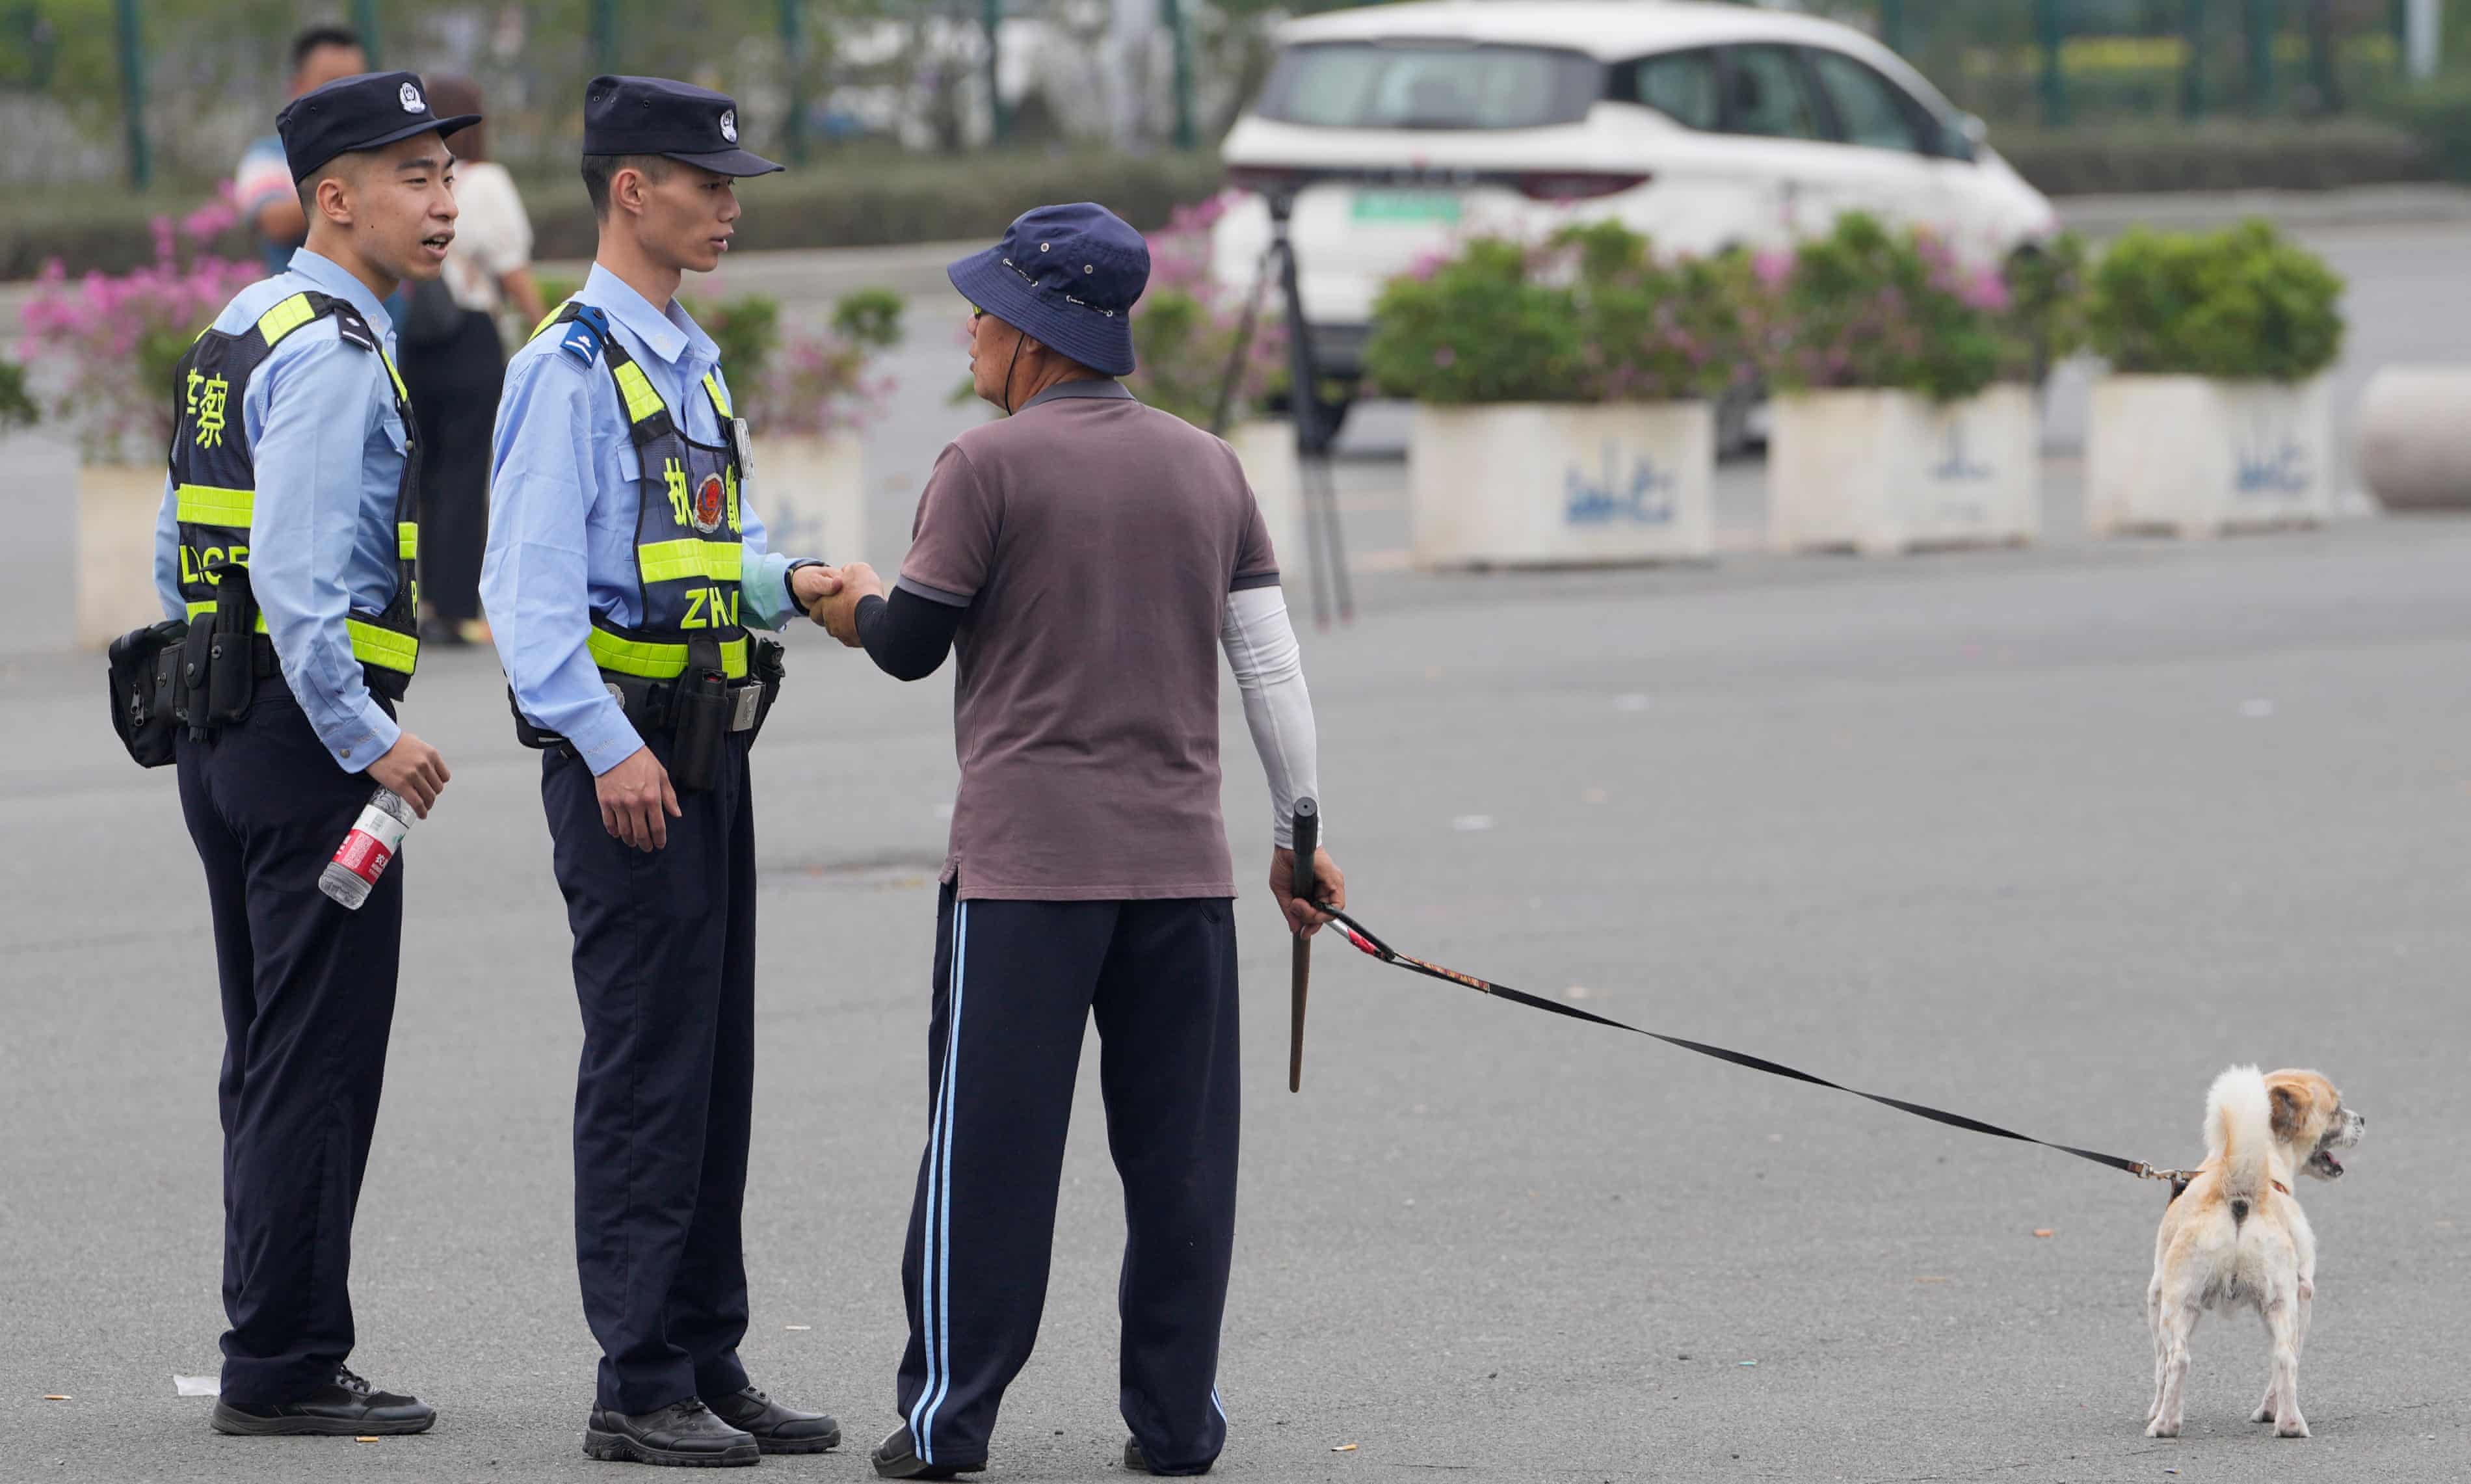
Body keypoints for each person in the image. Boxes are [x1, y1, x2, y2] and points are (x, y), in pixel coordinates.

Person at [810, 203, 1347, 1481]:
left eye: (986, 310)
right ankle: (1174, 1425)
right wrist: (1298, 832)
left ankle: (948, 1422)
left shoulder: (982, 468)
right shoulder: (1209, 466)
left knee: (986, 1157)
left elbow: (909, 645)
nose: (973, 328)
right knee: (1180, 1166)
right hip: (1181, 881)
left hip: (1023, 883)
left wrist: (844, 598)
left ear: (1037, 334)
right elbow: (1269, 663)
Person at [482, 75, 844, 1469]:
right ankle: (634, 1381)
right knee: (645, 1068)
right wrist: (609, 745)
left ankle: (703, 1349)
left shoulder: (683, 360)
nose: (730, 203)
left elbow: (680, 558)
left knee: (712, 1066)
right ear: (632, 188)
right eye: (708, 181)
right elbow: (527, 600)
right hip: (626, 762)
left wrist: (787, 578)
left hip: (703, 753)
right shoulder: (564, 366)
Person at [150, 70, 469, 1437]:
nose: (445, 200)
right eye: (414, 178)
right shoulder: (334, 351)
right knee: (315, 1056)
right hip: (304, 747)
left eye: (448, 173)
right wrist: (371, 739)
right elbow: (296, 575)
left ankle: (269, 1334)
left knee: (271, 1047)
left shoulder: (242, 322)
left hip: (220, 731)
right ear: (334, 200)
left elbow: (183, 544)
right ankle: (282, 1360)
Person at [400, 73, 541, 647]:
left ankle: (422, 601)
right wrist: (546, 324)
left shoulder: (413, 183)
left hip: (419, 335)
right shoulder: (486, 183)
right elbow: (511, 269)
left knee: (424, 473)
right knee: (464, 472)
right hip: (470, 335)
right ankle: (456, 609)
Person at [233, 27, 369, 275]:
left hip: (386, 312)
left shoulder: (383, 147)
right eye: (332, 83)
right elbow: (276, 223)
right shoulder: (268, 158)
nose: (346, 95)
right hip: (305, 309)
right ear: (297, 87)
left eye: (355, 83)